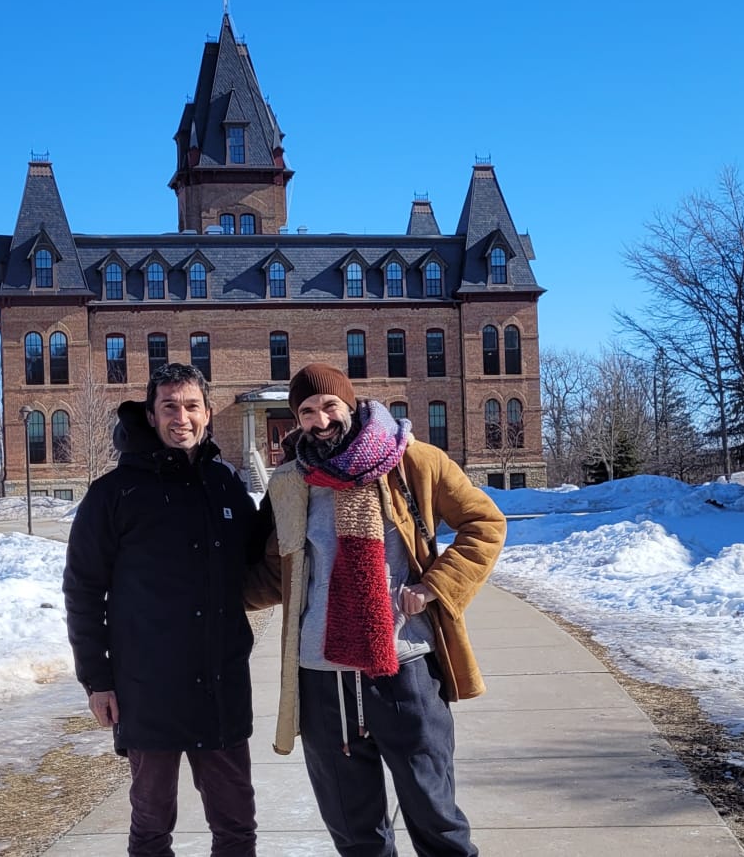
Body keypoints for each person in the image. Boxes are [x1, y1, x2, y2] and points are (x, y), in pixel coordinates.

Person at [246, 363, 506, 857]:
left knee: (436, 820)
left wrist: (435, 586)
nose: (320, 420)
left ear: (351, 404)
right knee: (354, 832)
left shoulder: (412, 462)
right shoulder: (289, 484)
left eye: (329, 406)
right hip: (321, 678)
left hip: (405, 670)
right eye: (306, 411)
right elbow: (271, 576)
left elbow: (485, 523)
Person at [64, 363, 264, 857]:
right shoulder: (114, 493)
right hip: (147, 687)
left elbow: (263, 558)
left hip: (221, 684)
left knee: (236, 825)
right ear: (151, 416)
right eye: (169, 406)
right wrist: (98, 680)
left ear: (209, 413)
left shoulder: (225, 484)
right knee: (152, 827)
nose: (182, 417)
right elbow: (83, 591)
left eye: (191, 406)